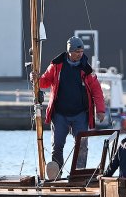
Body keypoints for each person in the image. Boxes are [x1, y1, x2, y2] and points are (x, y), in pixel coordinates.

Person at [38, 36, 106, 176]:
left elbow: (97, 91)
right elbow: (44, 83)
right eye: (77, 51)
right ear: (69, 51)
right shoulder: (56, 65)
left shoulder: (87, 69)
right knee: (57, 146)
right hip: (59, 114)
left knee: (82, 145)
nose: (80, 54)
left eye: (81, 51)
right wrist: (37, 79)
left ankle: (78, 175)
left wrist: (100, 110)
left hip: (80, 114)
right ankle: (56, 173)